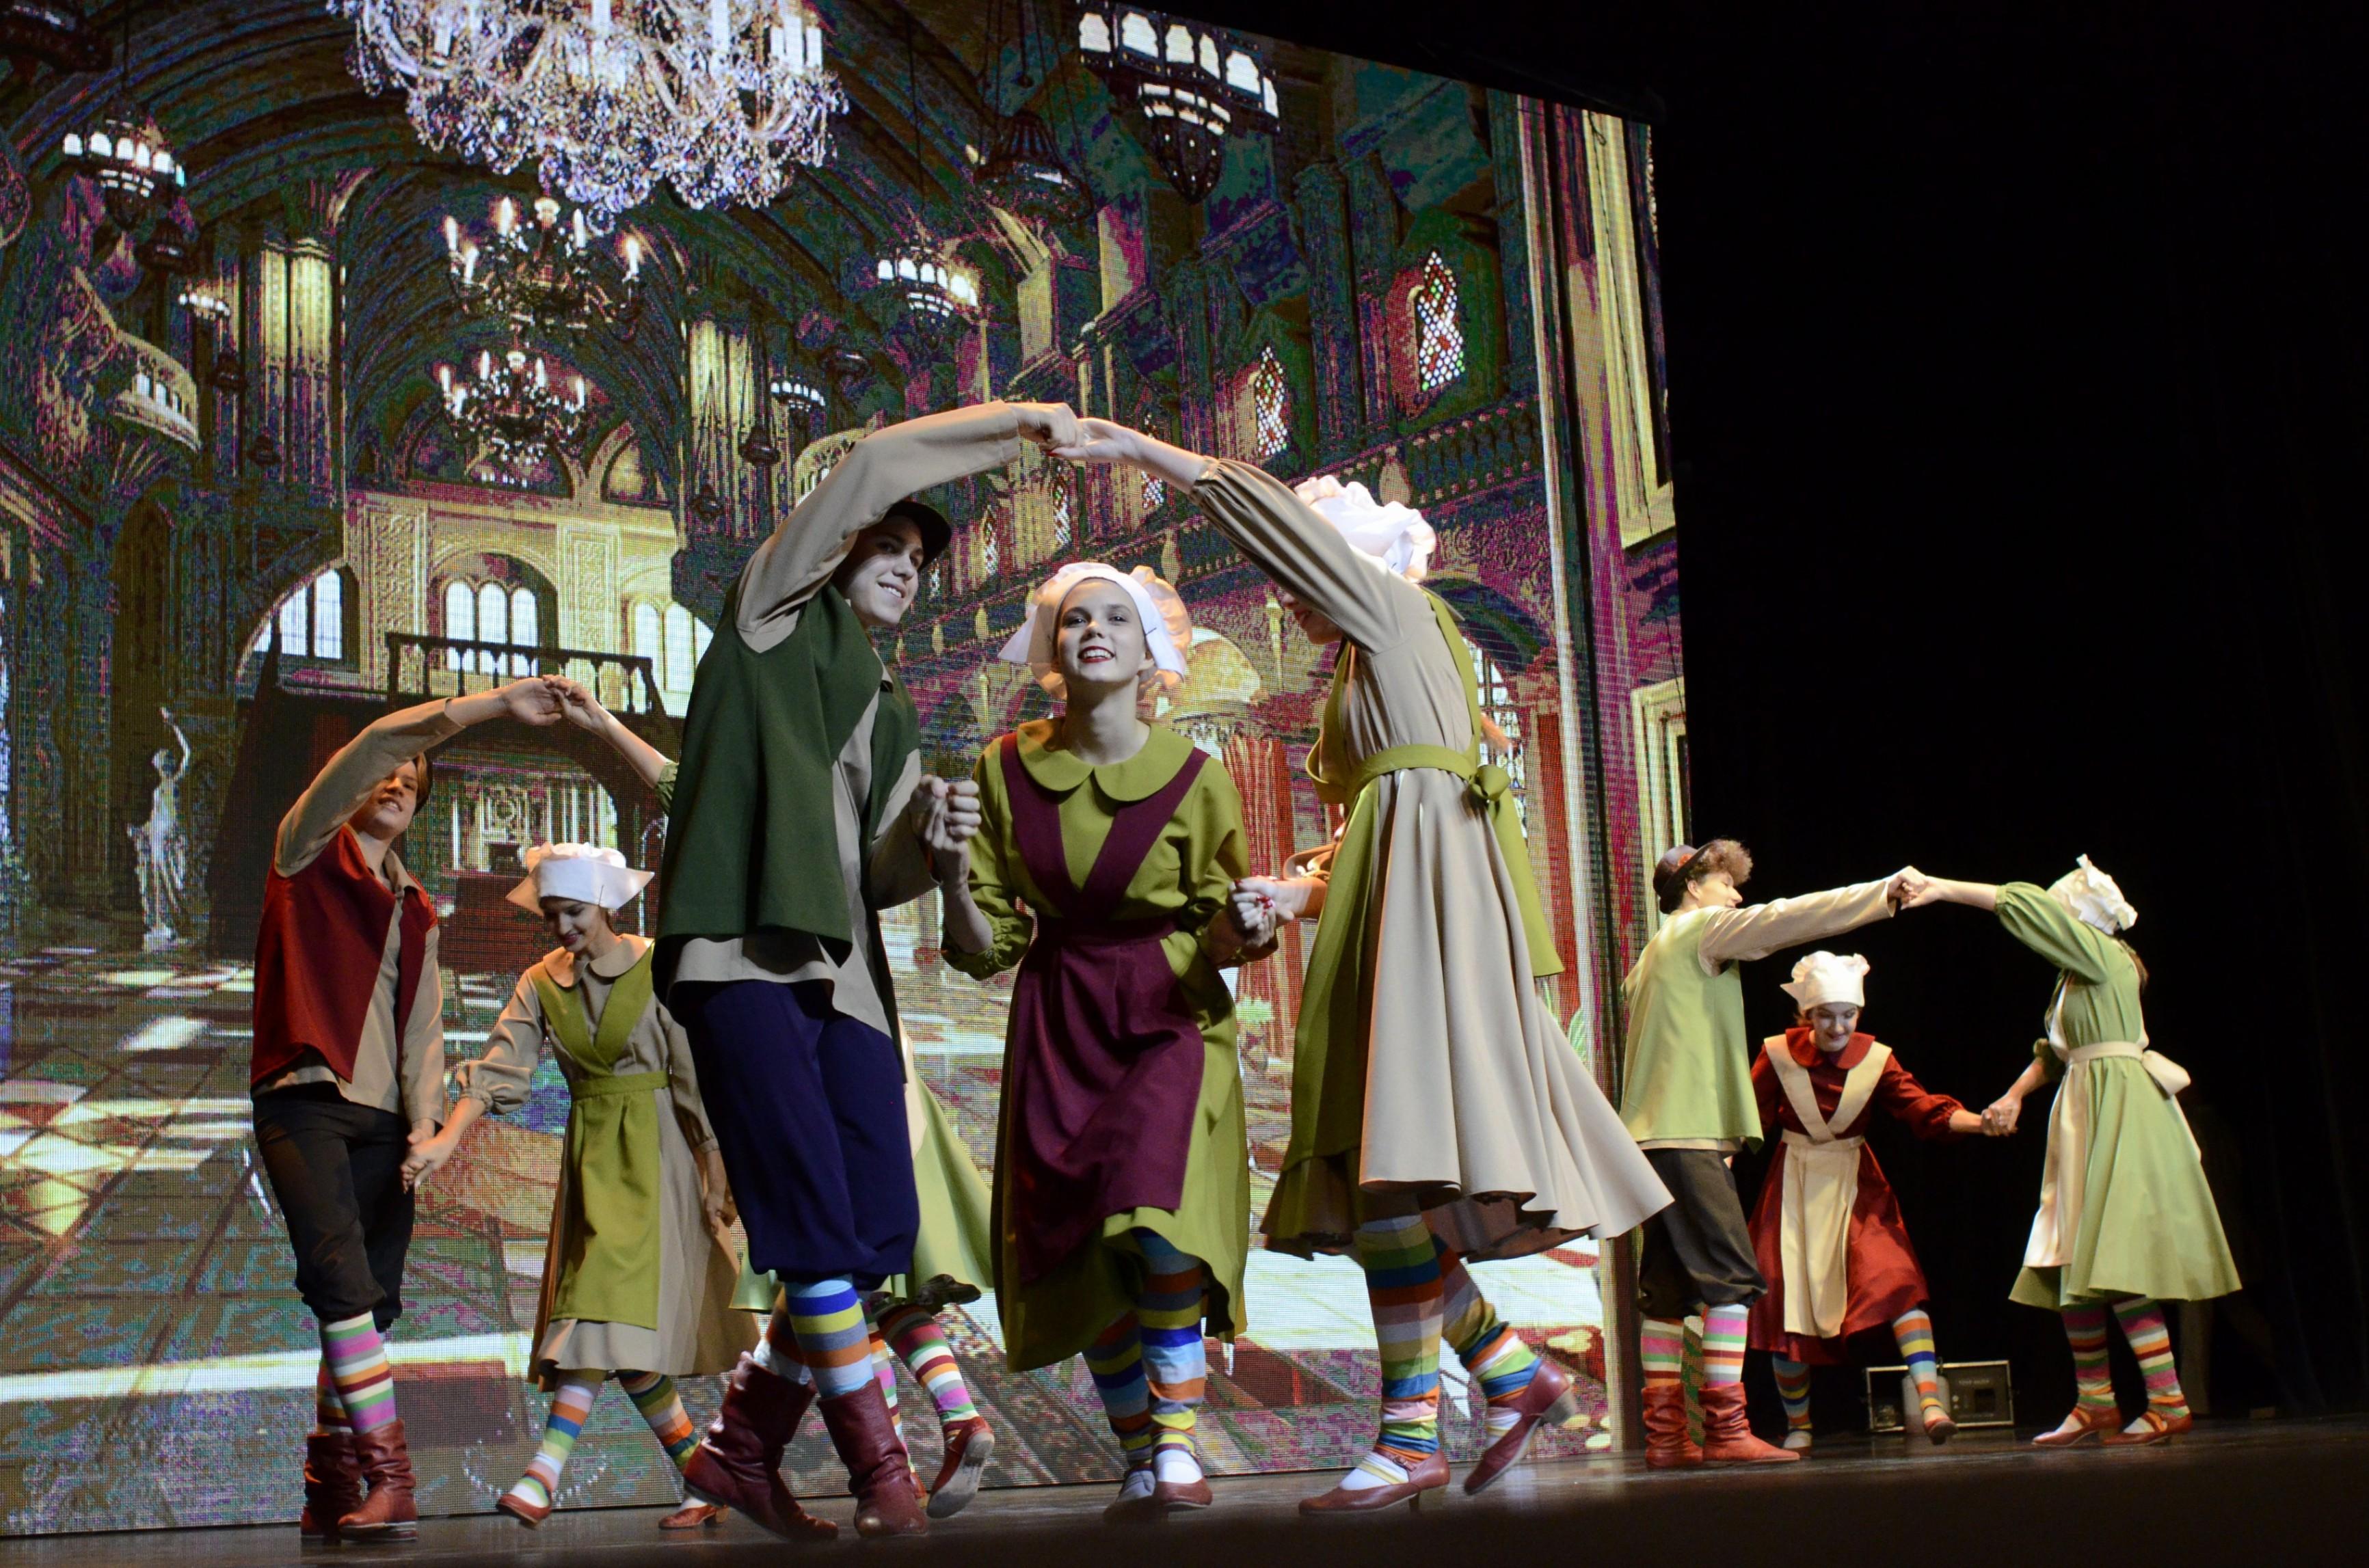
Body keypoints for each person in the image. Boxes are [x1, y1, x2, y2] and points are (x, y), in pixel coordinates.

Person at [1050, 427, 1670, 1513]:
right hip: (1398, 903)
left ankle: (1413, 1432)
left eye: (1301, 574)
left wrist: (1134, 450)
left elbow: (1408, 788)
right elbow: (1385, 812)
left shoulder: (1393, 610)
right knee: (1387, 1169)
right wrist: (1300, 891)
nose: (1287, 597)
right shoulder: (1369, 658)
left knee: (1388, 1165)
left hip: (1424, 914)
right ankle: (1502, 1376)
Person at [616, 400, 1073, 1539]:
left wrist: (939, 847)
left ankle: (741, 1449)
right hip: (744, 958)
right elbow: (871, 462)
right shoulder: (770, 614)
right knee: (817, 1225)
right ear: (834, 544)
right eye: (889, 545)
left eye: (921, 558)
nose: (910, 569)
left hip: (850, 979)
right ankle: (883, 1472)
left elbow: (876, 871)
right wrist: (1028, 425)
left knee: (873, 1229)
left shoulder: (888, 699)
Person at [562, 679, 1002, 1521]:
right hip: (838, 1043)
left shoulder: (851, 784)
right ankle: (861, 1444)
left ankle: (822, 1455)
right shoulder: (771, 796)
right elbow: (689, 786)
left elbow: (692, 789)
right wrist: (606, 725)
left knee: (843, 1261)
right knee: (843, 1269)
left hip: (843, 1047)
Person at [938, 562, 1271, 1522]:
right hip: (1060, 1018)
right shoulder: (1003, 769)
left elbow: (1221, 924)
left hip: (1168, 1014)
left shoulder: (1199, 780)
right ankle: (1137, 1450)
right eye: (1076, 618)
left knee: (1159, 1228)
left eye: (1116, 617)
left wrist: (1243, 927)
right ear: (1052, 649)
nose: (1094, 630)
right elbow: (985, 944)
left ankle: (1175, 1443)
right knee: (1081, 1248)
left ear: (1148, 648)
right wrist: (951, 874)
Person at [248, 675, 572, 1543]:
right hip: (305, 1099)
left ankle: (329, 1481)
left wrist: (427, 1127)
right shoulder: (305, 849)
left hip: (385, 1121)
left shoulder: (414, 901)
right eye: (389, 771)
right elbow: (378, 742)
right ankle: (393, 1477)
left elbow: (424, 1025)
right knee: (339, 1281)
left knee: (364, 1303)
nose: (398, 780)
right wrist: (494, 706)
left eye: (413, 779)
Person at [398, 844, 752, 1530]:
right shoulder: (540, 981)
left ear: (605, 906)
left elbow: (693, 1074)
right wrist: (445, 1140)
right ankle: (704, 1474)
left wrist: (715, 1168)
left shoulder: (657, 966)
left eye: (574, 912)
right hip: (592, 1162)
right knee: (615, 1333)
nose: (562, 927)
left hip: (658, 1159)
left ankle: (544, 1472)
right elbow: (500, 1069)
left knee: (595, 1315)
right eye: (552, 915)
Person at [1902, 859, 2238, 1446]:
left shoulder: (2101, 956)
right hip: (2084, 1105)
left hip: (2116, 1106)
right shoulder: (2074, 976)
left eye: (2059, 918)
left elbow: (2023, 906)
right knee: (2069, 1254)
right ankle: (2095, 1402)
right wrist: (2013, 1095)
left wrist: (1942, 889)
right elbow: (2056, 1052)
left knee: (2113, 1254)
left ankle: (2167, 1399)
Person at [1620, 841, 1919, 1468]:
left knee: (1667, 1293)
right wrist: (1879, 894)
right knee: (1733, 1281)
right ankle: (1726, 1429)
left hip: (1650, 1138)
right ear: (1693, 886)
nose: (1735, 897)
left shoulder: (1649, 957)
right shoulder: (1700, 932)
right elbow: (1789, 918)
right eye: (1725, 884)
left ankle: (1666, 1438)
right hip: (1688, 1133)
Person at [1745, 951, 1995, 1448]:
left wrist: (1979, 1122)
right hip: (1792, 1186)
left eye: (1848, 1014)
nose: (1838, 1026)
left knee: (1896, 1279)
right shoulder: (1777, 1054)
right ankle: (1799, 1425)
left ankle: (1930, 1402)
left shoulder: (1876, 1058)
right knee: (1786, 1300)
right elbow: (1749, 1117)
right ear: (1806, 1015)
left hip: (1857, 1184)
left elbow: (1920, 1108)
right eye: (1825, 1015)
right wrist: (1723, 1155)